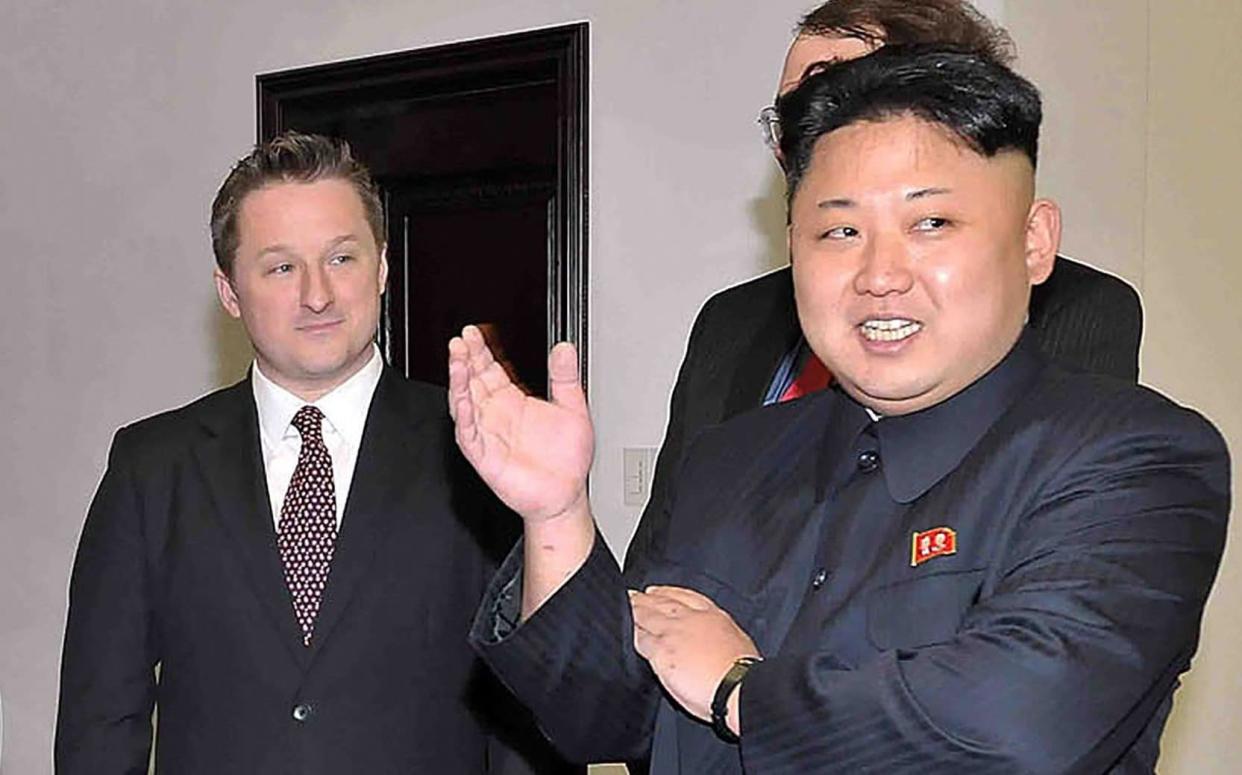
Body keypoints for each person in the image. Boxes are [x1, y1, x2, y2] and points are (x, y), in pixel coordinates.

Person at [450, 47, 1230, 773]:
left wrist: (740, 690)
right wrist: (556, 515)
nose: (880, 274)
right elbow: (611, 719)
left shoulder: (1133, 457)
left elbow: (1015, 725)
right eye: (840, 230)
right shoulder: (728, 459)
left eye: (931, 223)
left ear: (1033, 242)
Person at [56, 132, 570, 774]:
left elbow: (531, 712)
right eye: (280, 267)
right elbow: (101, 720)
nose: (317, 295)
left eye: (342, 259)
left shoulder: (478, 447)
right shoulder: (152, 467)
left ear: (382, 267)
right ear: (229, 291)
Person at [630, 0, 1144, 571]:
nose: (803, 134)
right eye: (790, 114)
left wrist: (735, 663)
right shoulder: (731, 321)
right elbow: (660, 558)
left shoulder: (1077, 311)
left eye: (838, 95)